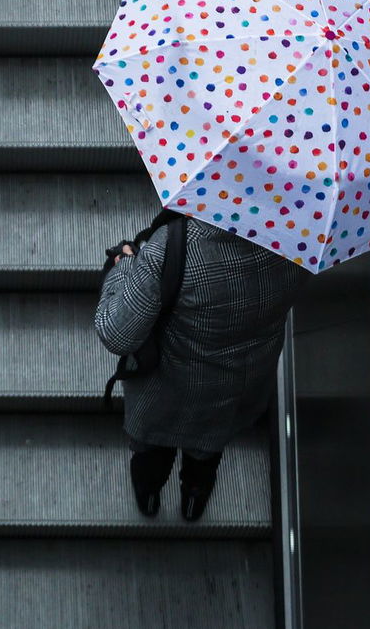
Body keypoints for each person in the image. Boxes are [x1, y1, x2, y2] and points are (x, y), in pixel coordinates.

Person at [95, 209, 313, 521]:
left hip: (169, 385)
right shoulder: (308, 237)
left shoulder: (175, 245)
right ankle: (194, 498)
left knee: (153, 452)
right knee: (207, 450)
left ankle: (149, 493)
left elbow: (116, 332)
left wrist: (125, 264)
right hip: (241, 382)